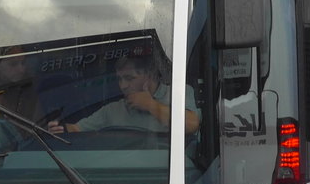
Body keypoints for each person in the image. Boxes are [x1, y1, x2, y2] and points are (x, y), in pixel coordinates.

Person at [49, 55, 199, 135]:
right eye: (119, 79)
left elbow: (191, 125)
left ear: (150, 75)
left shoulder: (178, 92)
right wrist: (60, 129)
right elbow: (77, 129)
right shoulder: (112, 110)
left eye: (129, 78)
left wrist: (151, 105)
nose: (123, 85)